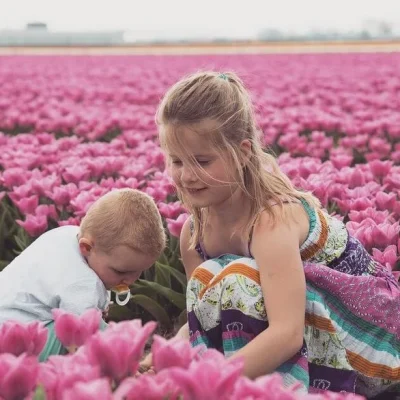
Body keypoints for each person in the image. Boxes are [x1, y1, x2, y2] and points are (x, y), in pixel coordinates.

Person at [149, 70, 400, 397]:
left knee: (240, 279)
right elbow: (202, 315)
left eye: (202, 161)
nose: (186, 175)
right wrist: (158, 365)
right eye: (176, 161)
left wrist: (206, 383)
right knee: (214, 279)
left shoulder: (271, 220)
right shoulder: (194, 234)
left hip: (372, 347)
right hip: (308, 342)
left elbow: (286, 334)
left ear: (242, 151)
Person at [0, 188, 166, 361]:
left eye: (140, 271)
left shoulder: (66, 235)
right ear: (86, 247)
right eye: (120, 271)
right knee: (86, 334)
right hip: (11, 347)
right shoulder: (83, 284)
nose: (131, 279)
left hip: (8, 315)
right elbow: (85, 334)